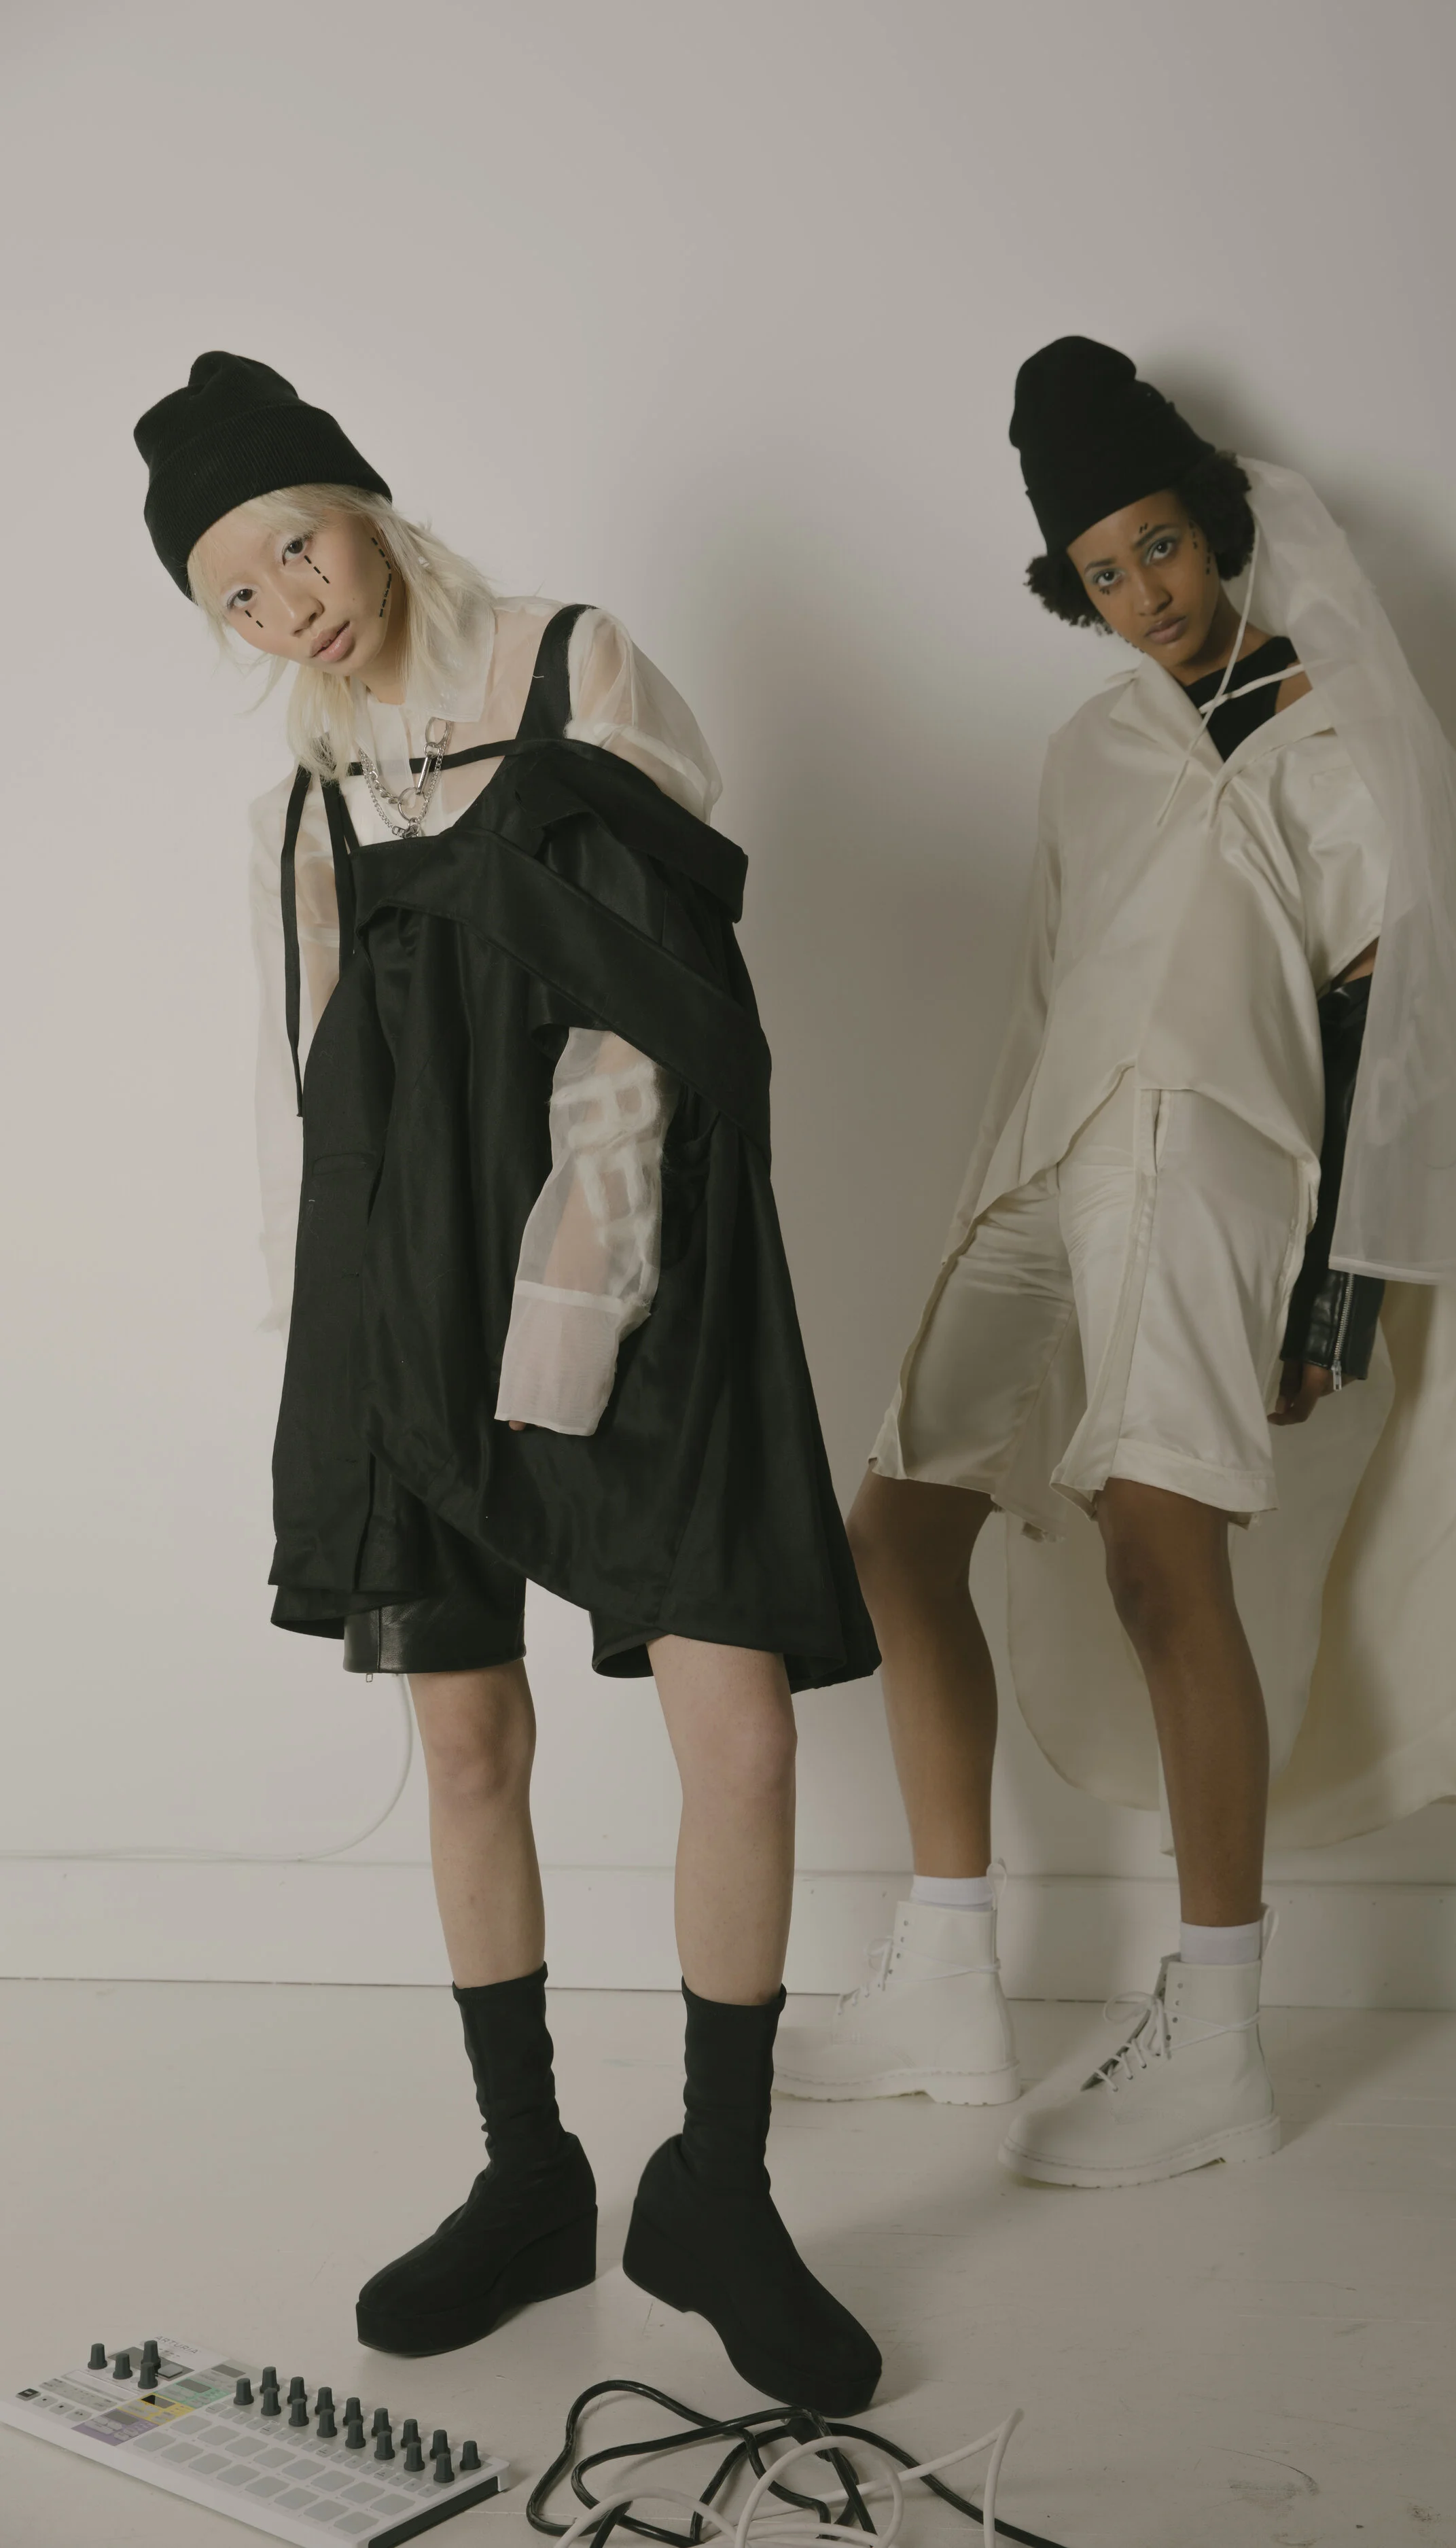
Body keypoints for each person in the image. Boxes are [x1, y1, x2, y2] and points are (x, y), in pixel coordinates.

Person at [776, 336, 1456, 2187]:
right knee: (897, 1527)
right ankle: (947, 1979)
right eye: (1101, 572)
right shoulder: (1092, 750)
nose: (1143, 593)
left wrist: (1337, 1290)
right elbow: (1048, 987)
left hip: (1217, 1156)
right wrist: (988, 1198)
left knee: (1162, 1558)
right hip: (1050, 1149)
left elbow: (1389, 1023)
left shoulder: (1339, 722)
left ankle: (1219, 2036)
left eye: (1158, 545)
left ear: (1211, 527)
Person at [132, 352, 881, 2411]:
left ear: (363, 505)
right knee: (466, 1741)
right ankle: (530, 2175)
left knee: (736, 1726)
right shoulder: (308, 797)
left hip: (631, 1269)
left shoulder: (572, 668)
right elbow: (311, 1091)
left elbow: (650, 1012)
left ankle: (716, 2188)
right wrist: (324, 1346)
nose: (288, 605)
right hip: (404, 1292)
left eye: (296, 544)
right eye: (236, 596)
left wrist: (578, 1293)